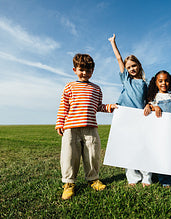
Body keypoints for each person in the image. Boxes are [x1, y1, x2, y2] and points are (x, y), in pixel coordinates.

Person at [56, 53, 117, 200]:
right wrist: (60, 122)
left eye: (88, 70)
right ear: (74, 69)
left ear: (93, 71)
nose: (85, 73)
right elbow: (64, 106)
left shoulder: (96, 89)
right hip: (71, 128)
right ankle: (69, 183)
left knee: (93, 155)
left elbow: (98, 106)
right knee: (70, 156)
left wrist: (110, 107)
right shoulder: (69, 86)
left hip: (91, 128)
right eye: (81, 69)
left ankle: (93, 179)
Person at [108, 34, 153, 187]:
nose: (131, 69)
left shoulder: (145, 83)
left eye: (134, 66)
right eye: (129, 67)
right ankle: (132, 177)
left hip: (141, 118)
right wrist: (113, 43)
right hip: (126, 117)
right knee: (128, 147)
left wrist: (148, 105)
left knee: (143, 147)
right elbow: (119, 59)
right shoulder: (126, 80)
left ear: (139, 65)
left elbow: (148, 99)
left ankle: (147, 176)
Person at [146, 70, 171, 186]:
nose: (164, 83)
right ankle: (165, 180)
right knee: (163, 154)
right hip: (160, 132)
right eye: (160, 81)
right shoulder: (154, 97)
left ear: (170, 82)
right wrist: (155, 107)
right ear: (156, 83)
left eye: (166, 81)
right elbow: (148, 108)